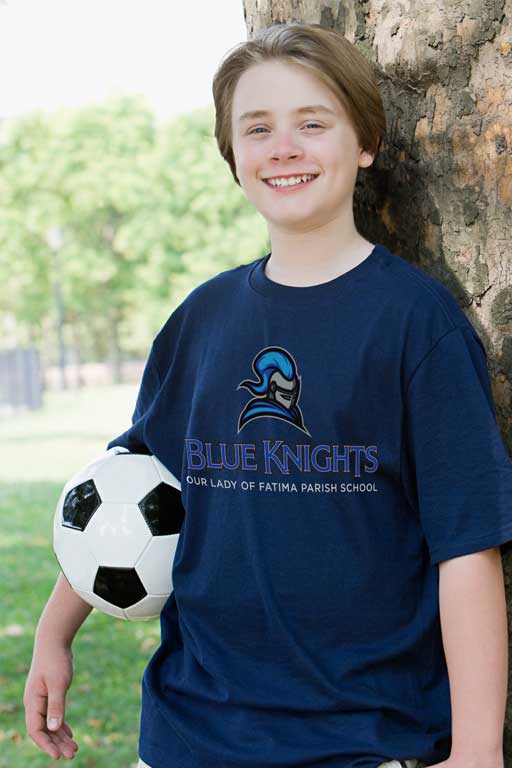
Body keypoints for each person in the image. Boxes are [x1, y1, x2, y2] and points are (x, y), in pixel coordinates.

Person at [24, 22, 512, 768]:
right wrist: (54, 634)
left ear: (366, 141)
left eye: (312, 123)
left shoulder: (417, 325)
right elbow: (130, 491)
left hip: (357, 739)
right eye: (257, 129)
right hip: (190, 734)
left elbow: (466, 546)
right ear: (233, 157)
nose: (284, 148)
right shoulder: (202, 321)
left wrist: (477, 750)